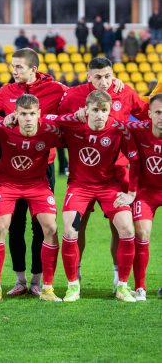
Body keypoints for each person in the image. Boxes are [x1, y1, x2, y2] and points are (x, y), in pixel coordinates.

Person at [0, 48, 68, 296]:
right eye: (12, 66)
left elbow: (79, 101)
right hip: (12, 169)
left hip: (43, 167)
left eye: (18, 67)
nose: (13, 71)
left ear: (33, 69)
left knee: (41, 227)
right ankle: (20, 280)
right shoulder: (6, 91)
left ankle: (37, 280)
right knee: (15, 226)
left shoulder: (56, 89)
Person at [58, 56, 148, 286]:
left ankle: (119, 277)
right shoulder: (74, 95)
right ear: (88, 76)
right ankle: (75, 275)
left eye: (108, 76)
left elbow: (147, 115)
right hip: (83, 175)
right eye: (98, 77)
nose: (104, 81)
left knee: (120, 226)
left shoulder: (125, 92)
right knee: (79, 224)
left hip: (116, 174)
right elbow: (58, 122)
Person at [52, 90, 138, 302]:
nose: (100, 115)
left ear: (110, 111)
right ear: (86, 109)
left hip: (109, 187)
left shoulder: (119, 129)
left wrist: (131, 193)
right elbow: (46, 119)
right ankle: (73, 286)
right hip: (79, 187)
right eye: (95, 110)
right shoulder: (74, 124)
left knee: (127, 228)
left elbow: (135, 160)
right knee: (71, 231)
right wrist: (73, 116)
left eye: (104, 110)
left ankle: (122, 286)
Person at [126, 94, 162, 301]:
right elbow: (116, 124)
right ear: (148, 114)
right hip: (146, 192)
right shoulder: (138, 128)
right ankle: (140, 287)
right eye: (157, 112)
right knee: (141, 234)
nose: (161, 117)